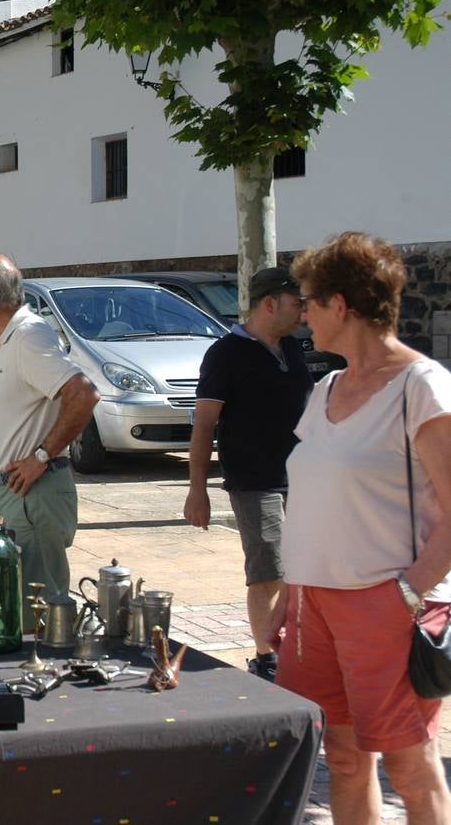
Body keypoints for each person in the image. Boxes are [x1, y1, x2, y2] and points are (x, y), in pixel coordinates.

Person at [269, 232, 451, 824]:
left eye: (309, 302)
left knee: (410, 768)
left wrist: (406, 592)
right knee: (343, 759)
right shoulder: (325, 388)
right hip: (312, 605)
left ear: (341, 306)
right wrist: (289, 593)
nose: (302, 316)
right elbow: (316, 497)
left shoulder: (420, 387)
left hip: (387, 605)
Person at [183, 266, 311, 681]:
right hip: (255, 482)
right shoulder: (225, 354)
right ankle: (267, 657)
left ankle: (299, 650)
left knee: (305, 568)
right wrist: (196, 490)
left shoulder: (293, 349)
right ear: (270, 303)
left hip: (306, 482)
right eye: (297, 304)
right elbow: (204, 425)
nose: (304, 314)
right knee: (268, 570)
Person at [0, 252, 99, 616]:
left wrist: (41, 456)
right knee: (18, 608)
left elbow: (83, 394)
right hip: (13, 492)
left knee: (43, 610)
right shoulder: (7, 338)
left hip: (32, 493)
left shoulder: (28, 336)